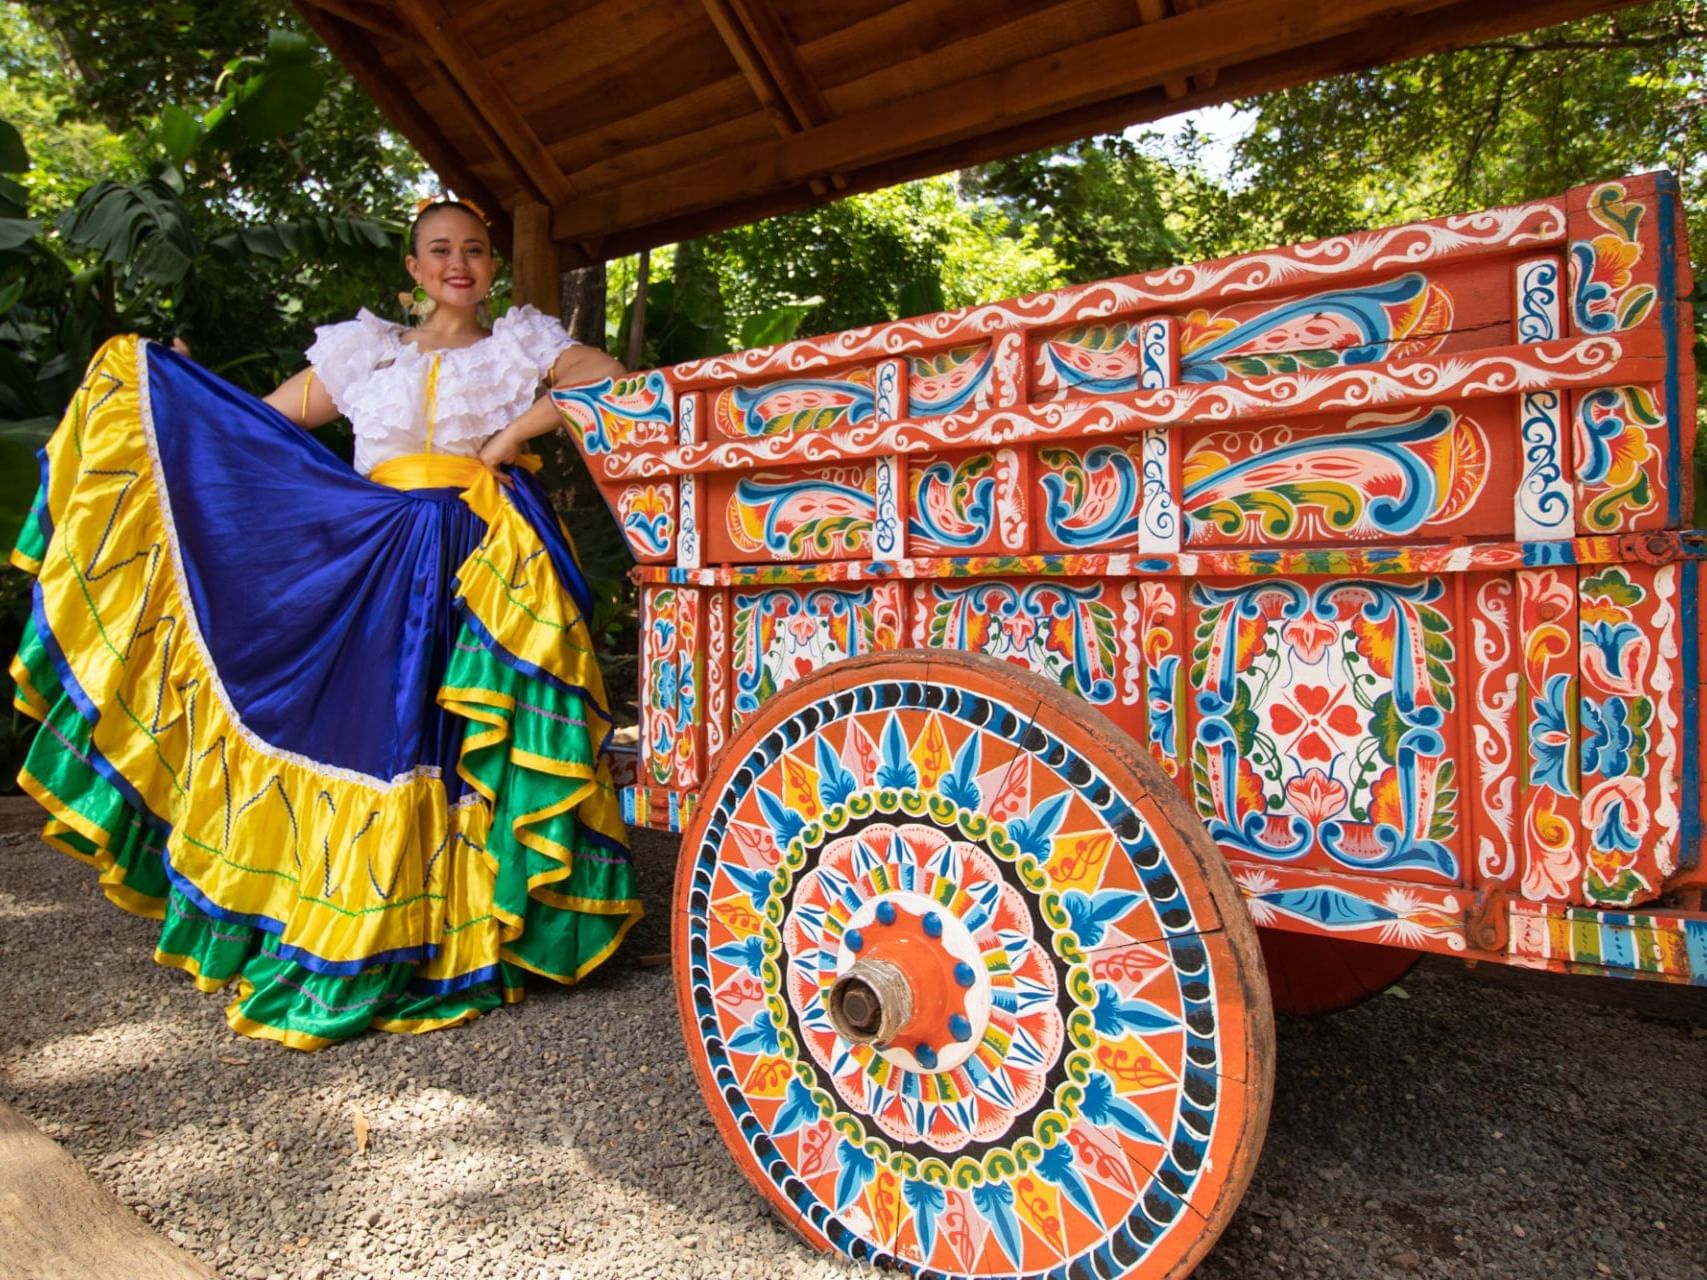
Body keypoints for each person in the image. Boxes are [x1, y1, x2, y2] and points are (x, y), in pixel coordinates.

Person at [7, 196, 642, 1049]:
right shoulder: (364, 353)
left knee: (457, 739)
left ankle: (476, 926)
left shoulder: (520, 343)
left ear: (492, 267)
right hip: (374, 558)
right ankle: (371, 921)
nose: (459, 264)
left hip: (479, 552)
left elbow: (605, 379)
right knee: (376, 736)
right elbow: (261, 428)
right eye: (439, 251)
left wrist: (506, 441)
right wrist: (187, 393)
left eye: (476, 251)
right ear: (413, 270)